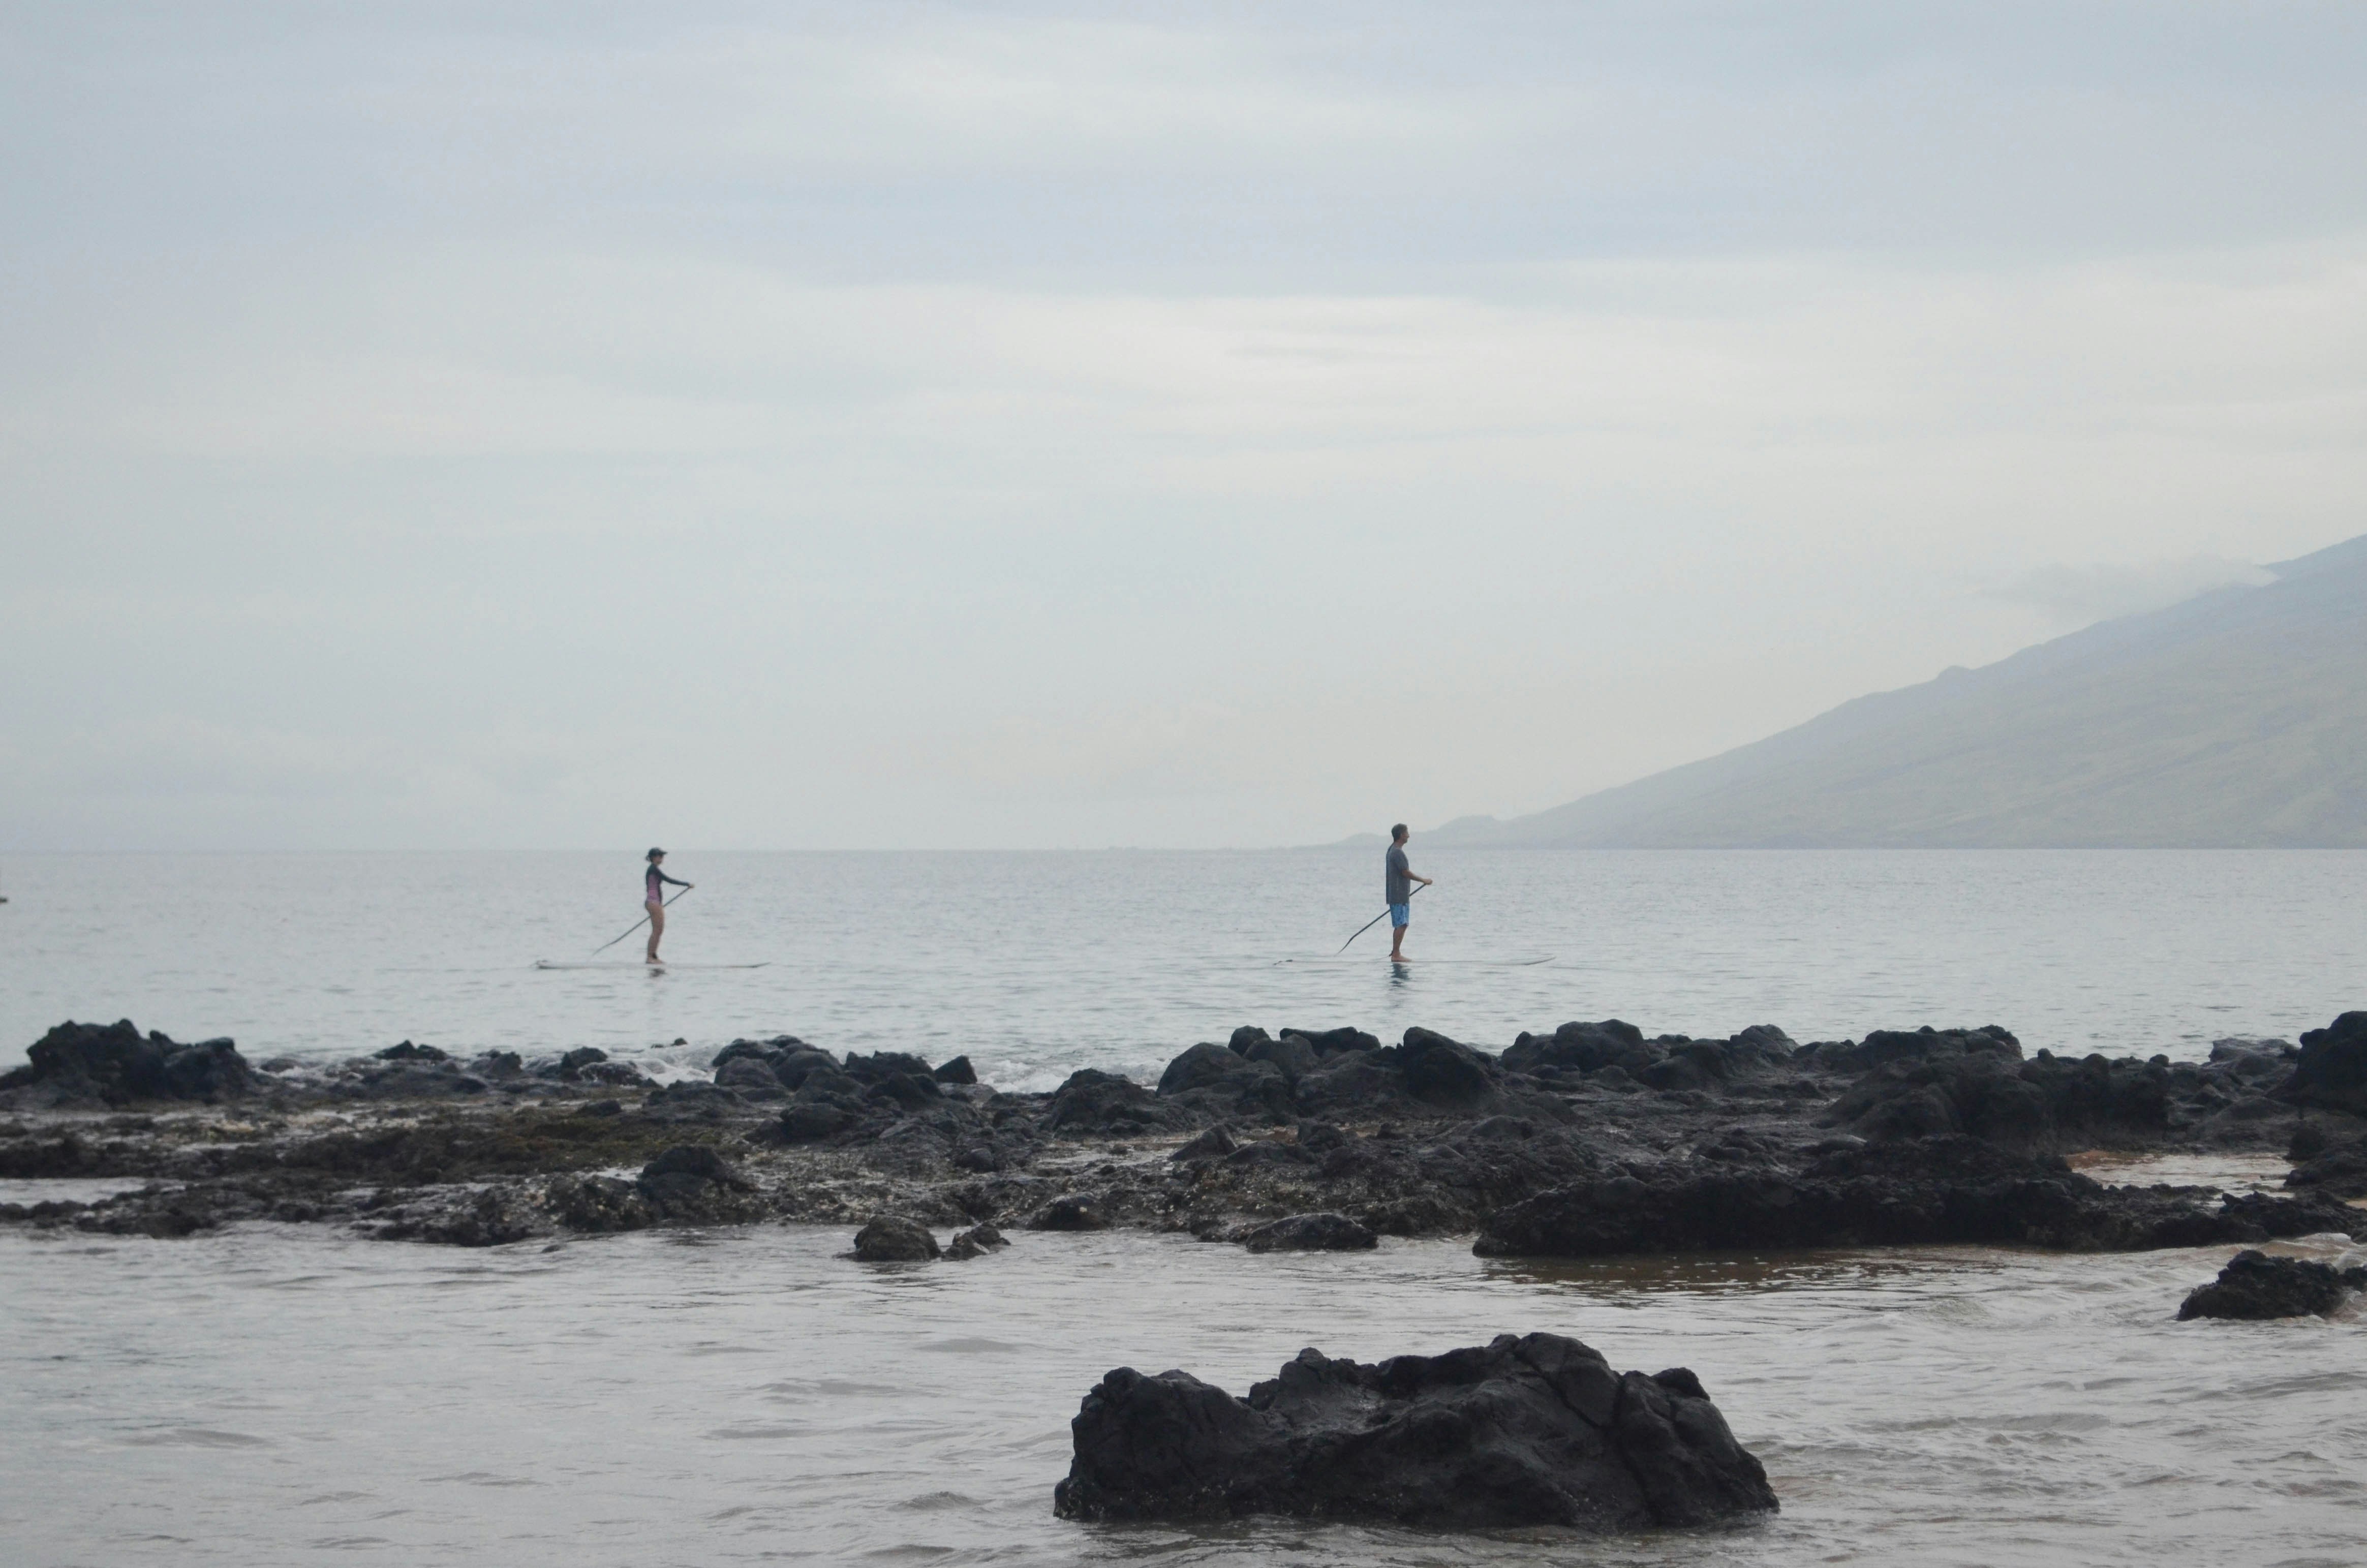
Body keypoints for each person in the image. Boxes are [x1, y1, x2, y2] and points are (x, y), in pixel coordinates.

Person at [1384, 823, 1432, 962]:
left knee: (1402, 923)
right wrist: (1423, 880)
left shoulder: (1392, 850)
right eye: (1407, 833)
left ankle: (1396, 952)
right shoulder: (1397, 852)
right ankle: (1396, 955)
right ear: (1401, 835)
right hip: (1398, 894)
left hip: (1399, 893)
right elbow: (1405, 872)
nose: (1409, 836)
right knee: (1402, 924)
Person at [643, 848, 692, 964]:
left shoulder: (654, 869)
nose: (662, 858)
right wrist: (686, 884)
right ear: (654, 857)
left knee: (659, 930)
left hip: (655, 903)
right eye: (660, 856)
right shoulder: (653, 869)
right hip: (653, 903)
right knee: (657, 930)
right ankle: (650, 957)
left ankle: (653, 956)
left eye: (662, 856)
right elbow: (668, 880)